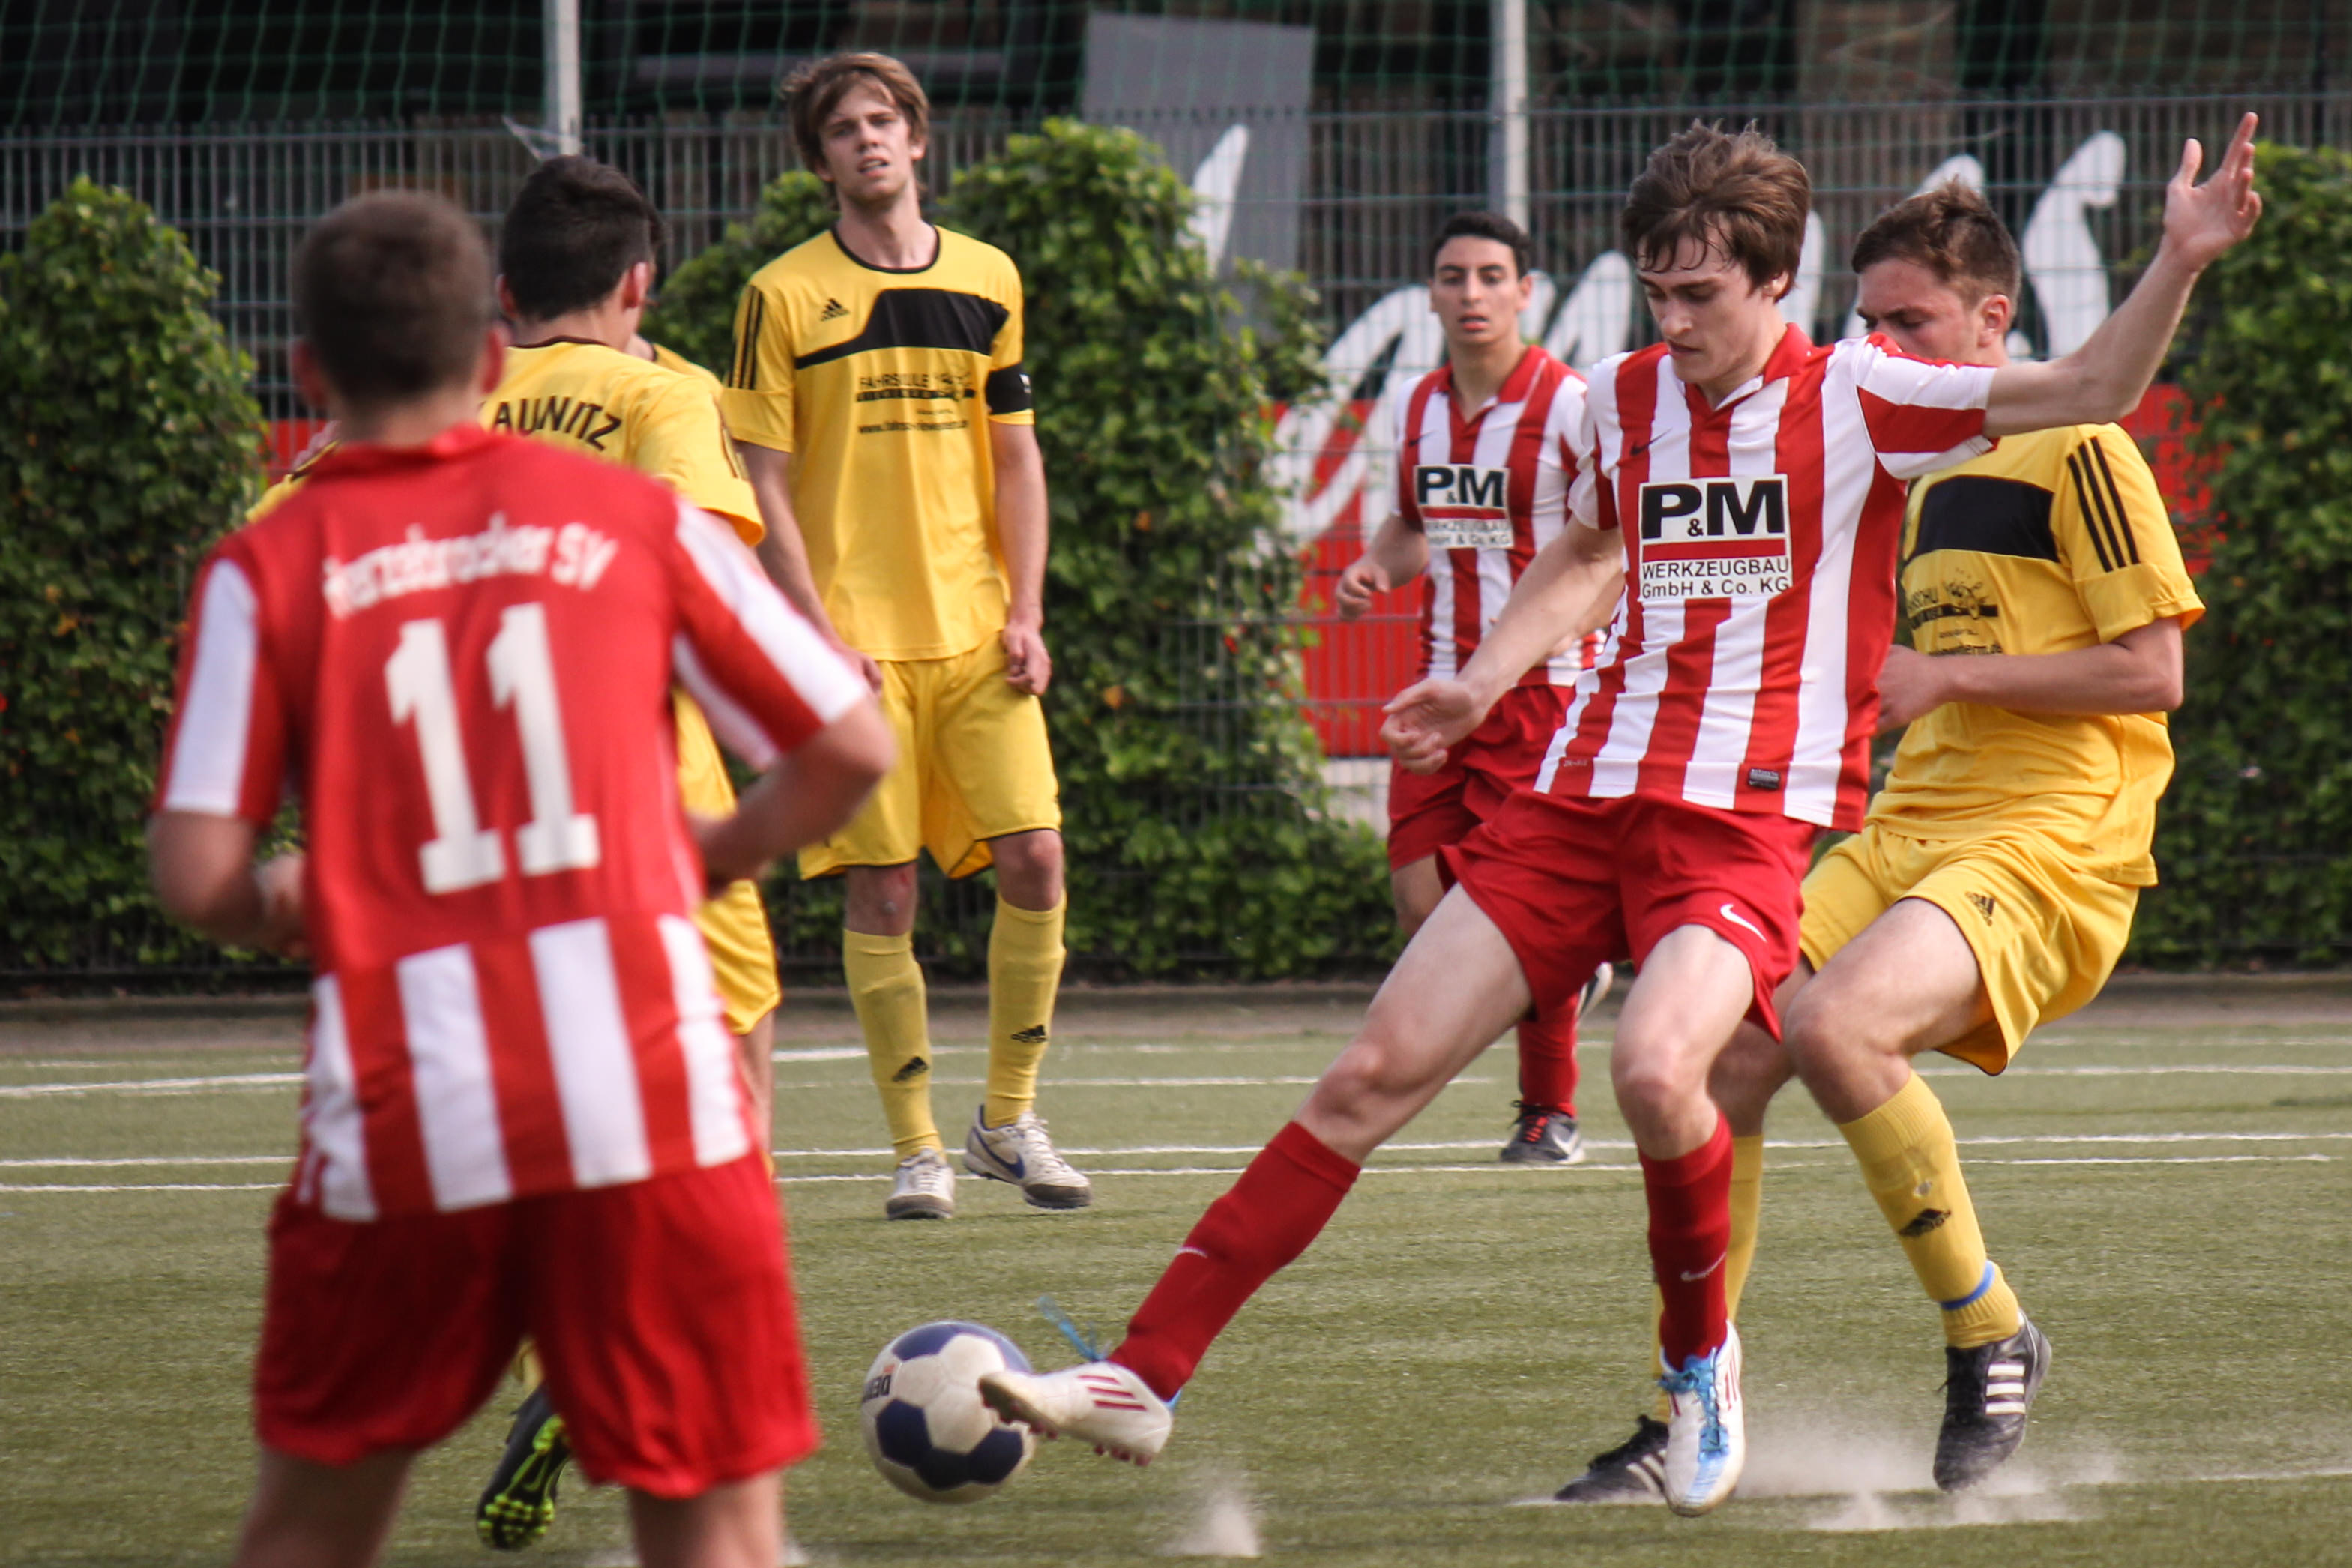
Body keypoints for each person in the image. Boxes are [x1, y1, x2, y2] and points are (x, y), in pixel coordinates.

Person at [974, 115, 2259, 1518]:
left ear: (1774, 281)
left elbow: (2090, 384)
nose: (1674, 320)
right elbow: (1589, 549)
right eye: (1655, 291)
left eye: (1700, 293)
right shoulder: (1618, 400)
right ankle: (1144, 1373)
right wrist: (1479, 680)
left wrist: (2178, 259)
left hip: (1738, 824)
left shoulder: (1862, 395)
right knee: (1369, 1075)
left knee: (1656, 1069)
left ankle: (1700, 1369)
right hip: (1578, 798)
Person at [148, 188, 890, 1568]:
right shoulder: (629, 518)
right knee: (720, 1536)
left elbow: (196, 874)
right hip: (648, 1103)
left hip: (405, 1106)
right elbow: (850, 741)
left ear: (307, 376)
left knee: (306, 1530)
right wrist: (705, 852)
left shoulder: (269, 557)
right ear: (489, 359)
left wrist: (283, 900)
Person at [1552, 178, 2207, 1503]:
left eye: (1910, 323)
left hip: (2051, 836)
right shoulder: (1894, 459)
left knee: (1835, 1027)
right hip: (1909, 823)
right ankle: (1695, 1397)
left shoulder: (2076, 448)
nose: (1880, 346)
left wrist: (1946, 677)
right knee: (1722, 1054)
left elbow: (2152, 673)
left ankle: (1987, 1330)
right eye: (1867, 321)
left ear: (1992, 320)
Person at [468, 154, 807, 1549]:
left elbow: (278, 546)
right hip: (645, 795)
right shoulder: (665, 395)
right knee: (730, 1099)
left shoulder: (436, 402)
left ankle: (557, 1370)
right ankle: (675, 1391)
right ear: (640, 284)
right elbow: (698, 569)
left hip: (474, 816)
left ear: (501, 291)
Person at [719, 51, 1082, 1222]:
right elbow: (760, 480)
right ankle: (916, 1148)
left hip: (978, 634)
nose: (867, 140)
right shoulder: (780, 295)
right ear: (819, 160)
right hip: (854, 647)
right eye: (843, 129)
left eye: (883, 121)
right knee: (880, 892)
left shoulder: (987, 276)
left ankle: (1007, 1122)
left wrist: (1025, 612)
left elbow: (1016, 459)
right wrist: (814, 635)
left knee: (1036, 858)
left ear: (918, 139)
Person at [1333, 210, 1611, 1165]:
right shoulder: (1417, 406)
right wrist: (1374, 566)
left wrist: (1563, 630)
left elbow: (1611, 551)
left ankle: (1549, 1114)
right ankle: (1570, 978)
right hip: (1439, 695)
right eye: (1453, 276)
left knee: (1525, 904)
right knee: (1421, 903)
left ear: (1526, 291)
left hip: (1541, 698)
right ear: (1431, 293)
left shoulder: (1572, 404)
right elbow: (1413, 527)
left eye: (1493, 275)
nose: (1472, 293)